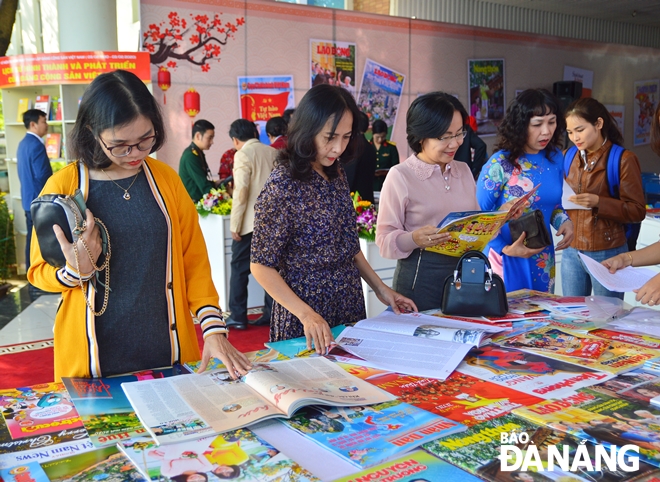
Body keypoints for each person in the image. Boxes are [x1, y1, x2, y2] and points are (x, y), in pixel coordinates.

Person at [27, 70, 250, 380]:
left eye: (146, 140)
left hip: (167, 350)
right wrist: (75, 271)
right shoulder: (63, 186)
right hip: (93, 360)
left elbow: (194, 260)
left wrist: (213, 328)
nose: (135, 154)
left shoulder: (165, 180)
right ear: (92, 132)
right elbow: (38, 272)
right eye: (120, 145)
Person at [250, 84, 416, 352]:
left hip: (348, 300)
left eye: (347, 137)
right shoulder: (284, 183)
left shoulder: (335, 173)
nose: (338, 148)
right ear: (308, 130)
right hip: (304, 313)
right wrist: (305, 314)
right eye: (330, 137)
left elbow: (349, 246)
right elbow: (261, 265)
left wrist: (380, 289)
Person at [376, 92, 480, 311]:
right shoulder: (400, 176)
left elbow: (475, 226)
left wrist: (499, 218)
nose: (456, 143)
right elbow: (384, 242)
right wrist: (414, 238)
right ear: (421, 136)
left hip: (465, 279)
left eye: (460, 133)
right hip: (419, 282)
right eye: (445, 136)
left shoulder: (463, 170)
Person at [476, 89, 574, 293]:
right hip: (504, 256)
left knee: (542, 318)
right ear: (521, 126)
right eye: (537, 124)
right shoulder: (500, 164)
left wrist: (564, 221)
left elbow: (553, 204)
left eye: (552, 122)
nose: (546, 131)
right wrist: (505, 248)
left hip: (542, 257)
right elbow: (478, 216)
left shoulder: (556, 158)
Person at [562, 98, 645, 299]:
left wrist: (599, 203)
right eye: (570, 132)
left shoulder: (623, 159)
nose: (575, 137)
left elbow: (637, 210)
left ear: (598, 124)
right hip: (571, 250)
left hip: (608, 251)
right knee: (572, 316)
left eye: (580, 130)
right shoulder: (567, 156)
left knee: (608, 318)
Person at [226, 119, 278, 330]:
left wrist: (235, 224)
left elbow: (241, 192)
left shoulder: (242, 154)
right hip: (273, 223)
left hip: (250, 224)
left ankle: (238, 316)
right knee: (271, 269)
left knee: (239, 269)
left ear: (236, 139)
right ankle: (271, 313)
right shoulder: (273, 152)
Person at [17, 109, 52, 275]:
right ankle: (36, 275)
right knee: (39, 240)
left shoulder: (23, 143)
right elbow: (42, 176)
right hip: (39, 201)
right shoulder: (36, 145)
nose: (47, 125)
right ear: (33, 124)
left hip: (27, 200)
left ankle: (30, 273)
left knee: (31, 239)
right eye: (44, 121)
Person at [179, 119, 217, 202]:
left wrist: (215, 184)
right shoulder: (191, 156)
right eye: (210, 138)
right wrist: (219, 197)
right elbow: (203, 185)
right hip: (193, 204)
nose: (212, 142)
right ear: (198, 136)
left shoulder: (197, 153)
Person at [453, 103, 488, 180]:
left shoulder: (466, 129)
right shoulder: (465, 128)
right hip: (465, 171)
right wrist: (474, 169)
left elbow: (481, 146)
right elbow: (481, 145)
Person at [347, 111, 376, 203]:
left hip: (355, 200)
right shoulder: (370, 147)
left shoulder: (353, 146)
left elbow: (350, 175)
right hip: (367, 198)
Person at [370, 119, 399, 192]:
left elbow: (396, 167)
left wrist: (384, 173)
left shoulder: (391, 148)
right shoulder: (367, 147)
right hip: (370, 184)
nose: (380, 140)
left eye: (383, 137)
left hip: (387, 184)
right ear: (372, 134)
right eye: (377, 137)